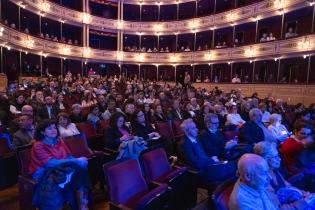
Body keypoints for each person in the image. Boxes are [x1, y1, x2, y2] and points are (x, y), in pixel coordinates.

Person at [28, 120, 90, 210]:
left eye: (54, 128)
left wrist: (78, 161)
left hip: (61, 169)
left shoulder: (59, 141)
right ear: (42, 132)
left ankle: (82, 204)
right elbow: (50, 163)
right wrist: (77, 161)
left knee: (80, 170)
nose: (53, 130)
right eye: (49, 128)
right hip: (44, 172)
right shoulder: (38, 145)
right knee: (79, 173)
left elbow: (69, 157)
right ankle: (82, 205)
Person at [254, 141, 315, 209]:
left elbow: (287, 185)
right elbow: (277, 208)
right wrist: (304, 202)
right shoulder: (263, 181)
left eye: (278, 155)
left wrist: (301, 193)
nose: (279, 159)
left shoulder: (274, 170)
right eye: (276, 157)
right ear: (265, 159)